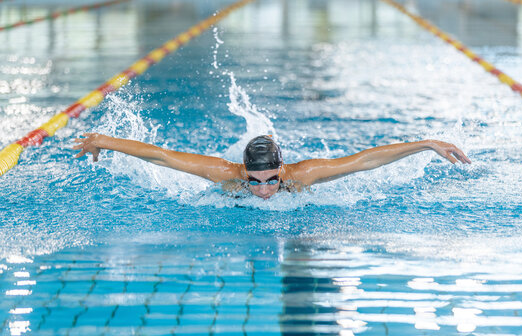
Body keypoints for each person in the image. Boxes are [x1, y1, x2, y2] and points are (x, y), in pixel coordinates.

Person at [73, 133, 471, 199]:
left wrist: (424, 144)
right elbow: (162, 156)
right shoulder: (225, 175)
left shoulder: (302, 176)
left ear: (282, 170)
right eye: (256, 181)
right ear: (243, 171)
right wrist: (105, 142)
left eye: (271, 180)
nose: (264, 190)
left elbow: (364, 161)